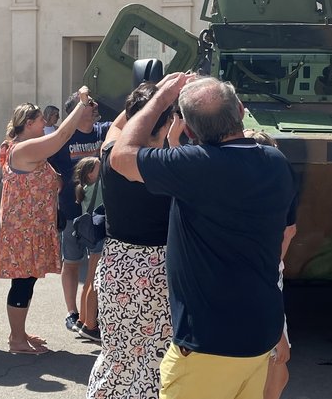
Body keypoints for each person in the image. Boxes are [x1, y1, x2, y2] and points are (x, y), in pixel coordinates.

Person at [111, 75, 295, 399]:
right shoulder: (276, 163)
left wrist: (161, 98)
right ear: (241, 110)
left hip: (207, 346)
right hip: (258, 336)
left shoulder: (194, 168)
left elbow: (121, 157)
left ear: (191, 131)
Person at [87, 83, 175, 399]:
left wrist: (156, 98)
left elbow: (116, 126)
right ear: (166, 123)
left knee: (118, 354)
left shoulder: (110, 154)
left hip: (117, 266)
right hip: (158, 272)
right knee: (155, 360)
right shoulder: (168, 166)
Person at [0, 91, 97, 354]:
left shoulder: (18, 146)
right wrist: (82, 105)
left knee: (27, 281)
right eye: (41, 121)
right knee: (23, 282)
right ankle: (16, 339)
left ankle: (20, 332)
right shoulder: (25, 148)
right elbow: (62, 136)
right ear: (28, 124)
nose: (45, 125)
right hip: (25, 230)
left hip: (29, 228)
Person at [47, 94, 111, 336]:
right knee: (72, 263)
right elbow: (46, 163)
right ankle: (72, 313)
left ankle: (91, 315)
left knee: (97, 266)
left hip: (100, 214)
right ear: (76, 110)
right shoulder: (64, 137)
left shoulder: (102, 131)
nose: (95, 105)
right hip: (72, 212)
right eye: (90, 103)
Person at [244, 130, 297, 399]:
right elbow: (289, 231)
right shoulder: (279, 186)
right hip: (266, 273)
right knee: (276, 367)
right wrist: (278, 335)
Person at [70, 156, 104, 343]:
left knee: (89, 279)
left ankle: (83, 319)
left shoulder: (84, 188)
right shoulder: (97, 188)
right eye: (99, 167)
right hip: (99, 237)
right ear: (90, 173)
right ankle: (90, 325)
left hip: (91, 237)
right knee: (94, 282)